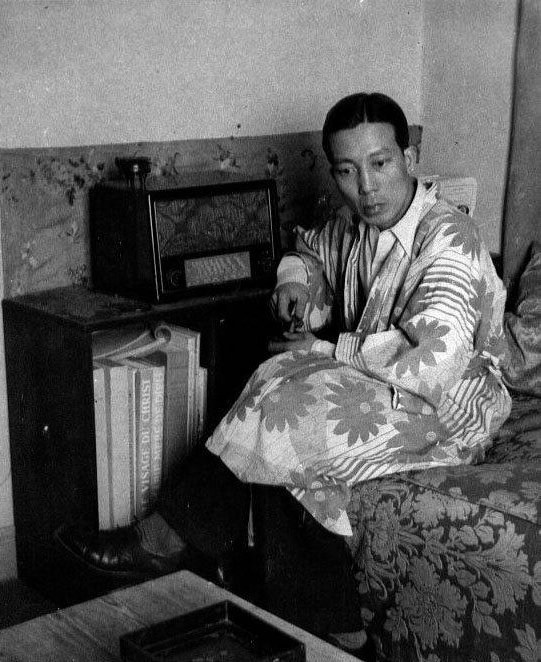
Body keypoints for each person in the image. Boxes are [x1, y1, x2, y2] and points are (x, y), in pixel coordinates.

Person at [57, 92, 511, 585]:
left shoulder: (449, 237)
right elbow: (308, 250)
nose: (366, 186)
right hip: (385, 384)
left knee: (286, 411)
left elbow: (435, 363)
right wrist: (294, 282)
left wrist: (324, 349)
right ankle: (295, 609)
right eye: (347, 170)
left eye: (380, 164)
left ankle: (165, 541)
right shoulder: (355, 224)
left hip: (449, 408)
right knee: (277, 384)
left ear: (410, 158)